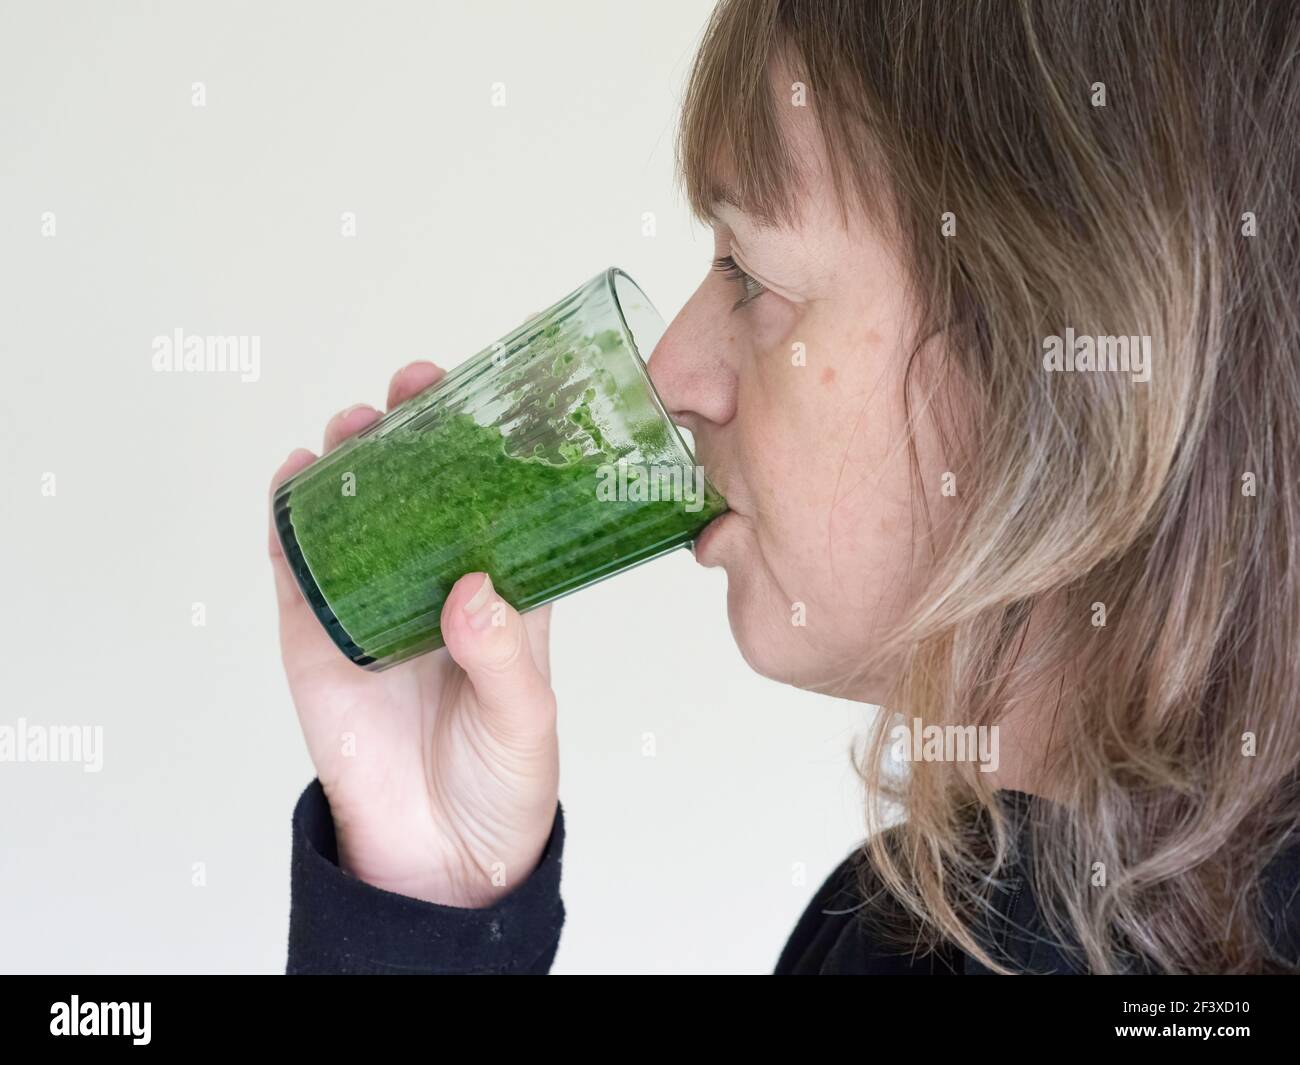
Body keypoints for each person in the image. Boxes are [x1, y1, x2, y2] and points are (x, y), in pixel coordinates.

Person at [268, 0, 1300, 974]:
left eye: (751, 276)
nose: (671, 378)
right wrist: (426, 899)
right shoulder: (898, 931)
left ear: (1054, 358)